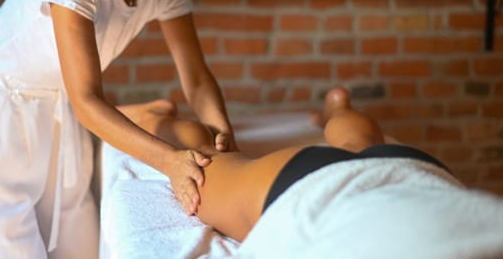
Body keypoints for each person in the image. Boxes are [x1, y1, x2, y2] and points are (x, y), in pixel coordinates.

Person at [0, 0, 235, 258]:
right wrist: (170, 162)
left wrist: (223, 136)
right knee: (8, 246)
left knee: (79, 243)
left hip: (61, 114)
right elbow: (87, 99)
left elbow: (197, 78)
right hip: (1, 116)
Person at [117, 86, 453, 242]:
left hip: (417, 179)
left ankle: (338, 110)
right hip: (323, 197)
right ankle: (154, 118)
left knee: (359, 147)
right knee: (202, 161)